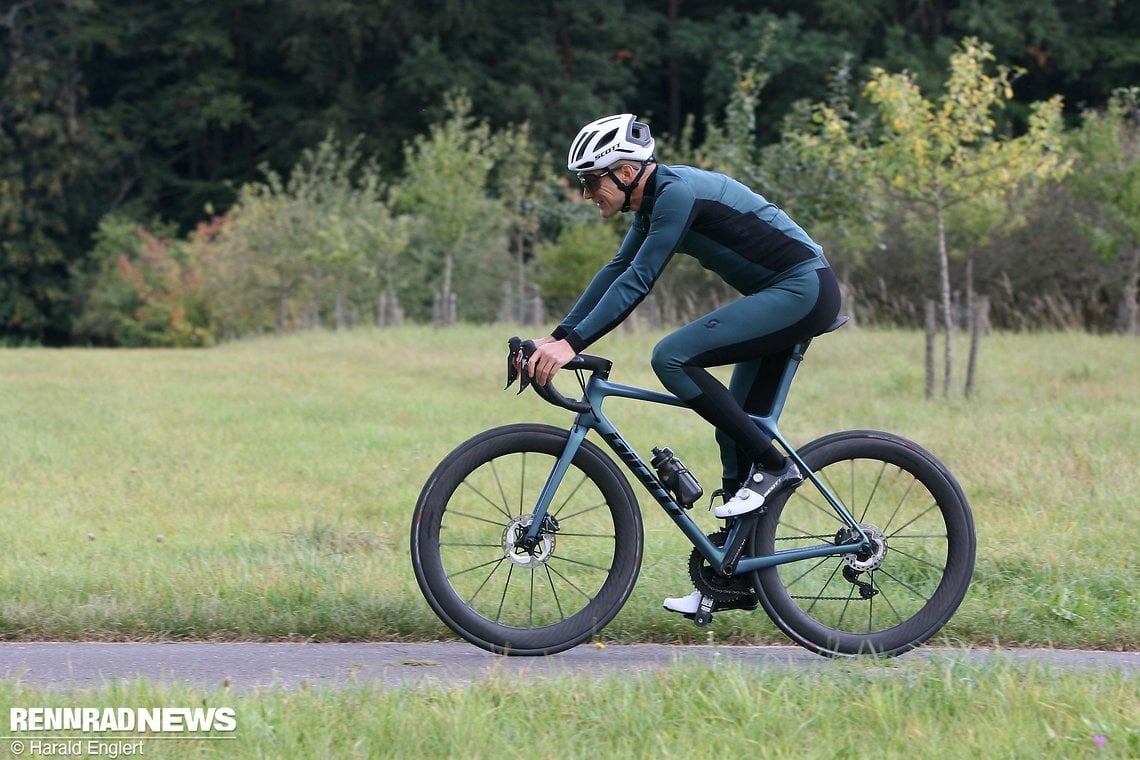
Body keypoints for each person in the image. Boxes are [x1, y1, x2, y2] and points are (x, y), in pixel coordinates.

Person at [525, 113, 841, 617]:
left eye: (590, 181)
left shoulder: (676, 194)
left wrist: (572, 344)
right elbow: (616, 269)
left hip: (803, 289)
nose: (587, 194)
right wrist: (560, 336)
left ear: (625, 173)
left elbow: (640, 280)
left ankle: (776, 467)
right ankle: (734, 575)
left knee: (670, 356)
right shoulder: (651, 204)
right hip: (784, 294)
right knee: (735, 424)